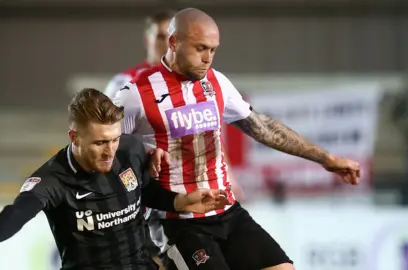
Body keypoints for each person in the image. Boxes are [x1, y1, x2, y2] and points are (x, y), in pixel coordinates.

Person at [113, 8, 361, 270]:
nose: (208, 58)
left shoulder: (217, 83)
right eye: (200, 48)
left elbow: (261, 127)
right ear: (174, 42)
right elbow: (105, 150)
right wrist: (139, 159)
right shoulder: (135, 94)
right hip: (178, 222)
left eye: (213, 50)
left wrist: (326, 158)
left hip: (228, 212)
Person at [0, 88, 231, 270]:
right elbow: (20, 209)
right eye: (100, 143)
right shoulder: (53, 178)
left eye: (114, 139)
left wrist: (181, 201)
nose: (110, 151)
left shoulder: (130, 149)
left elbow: (145, 192)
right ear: (74, 137)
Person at [103, 9, 176, 99]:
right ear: (147, 40)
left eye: (171, 37)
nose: (167, 43)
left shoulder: (189, 81)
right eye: (160, 37)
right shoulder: (124, 81)